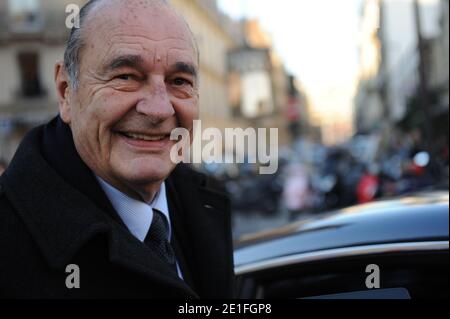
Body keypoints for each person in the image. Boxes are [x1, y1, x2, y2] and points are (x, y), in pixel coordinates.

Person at [0, 0, 234, 299]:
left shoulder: (205, 202)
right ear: (65, 91)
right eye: (126, 77)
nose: (159, 109)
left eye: (179, 81)